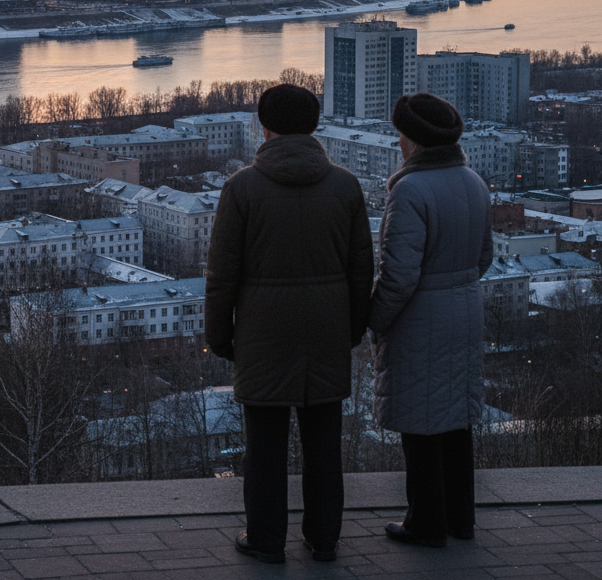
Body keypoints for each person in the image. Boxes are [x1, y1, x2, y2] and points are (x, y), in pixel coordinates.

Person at [206, 83, 373, 564]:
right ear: (314, 125)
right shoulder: (344, 186)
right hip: (326, 331)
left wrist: (220, 336)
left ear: (264, 126)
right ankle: (324, 539)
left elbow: (222, 275)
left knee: (264, 446)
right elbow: (363, 267)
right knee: (325, 440)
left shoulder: (242, 188)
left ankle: (265, 538)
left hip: (263, 332)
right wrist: (353, 327)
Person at [369, 93, 493, 548]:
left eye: (401, 134)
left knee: (420, 422)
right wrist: (455, 287)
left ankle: (425, 523)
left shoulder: (410, 190)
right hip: (466, 312)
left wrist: (376, 319)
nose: (398, 142)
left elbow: (399, 276)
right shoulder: (474, 181)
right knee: (456, 421)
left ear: (415, 141)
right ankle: (461, 518)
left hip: (421, 318)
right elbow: (485, 256)